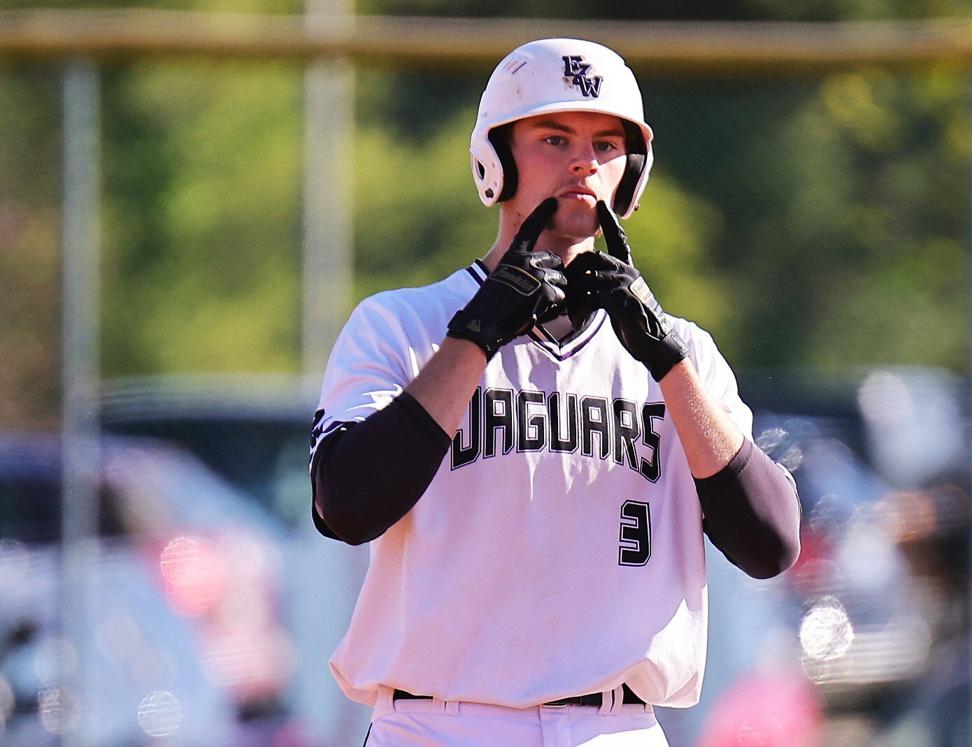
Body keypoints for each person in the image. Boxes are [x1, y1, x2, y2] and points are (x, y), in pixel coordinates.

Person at [308, 37, 802, 747]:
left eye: (606, 143)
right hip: (438, 723)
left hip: (614, 726)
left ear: (630, 170)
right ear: (495, 158)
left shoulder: (678, 352)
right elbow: (348, 503)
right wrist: (477, 335)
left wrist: (665, 358)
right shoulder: (403, 326)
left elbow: (770, 541)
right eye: (553, 136)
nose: (583, 162)